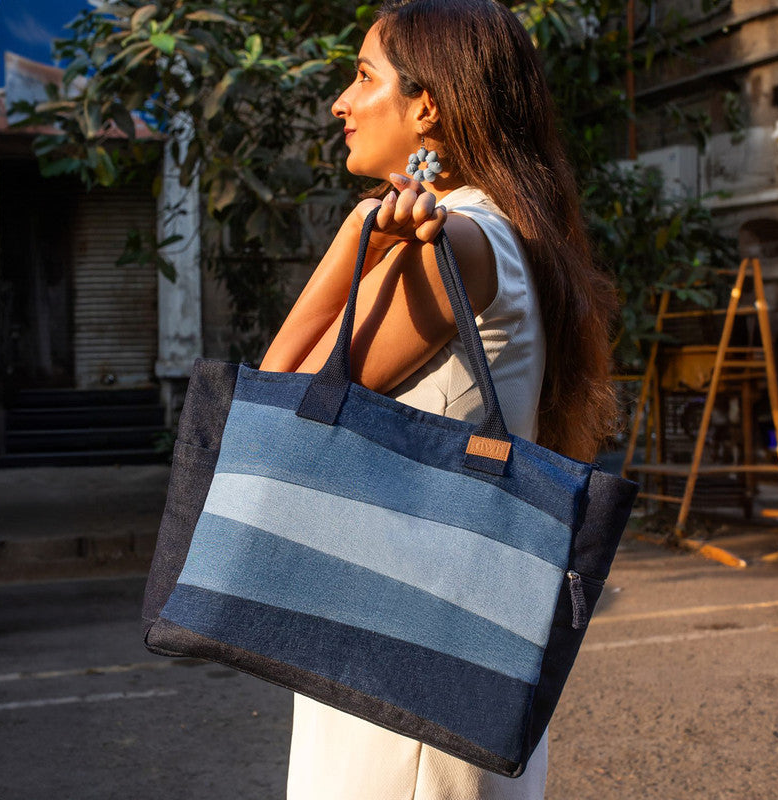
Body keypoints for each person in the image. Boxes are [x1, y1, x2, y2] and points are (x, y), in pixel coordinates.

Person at [259, 1, 617, 797]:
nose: (340, 104)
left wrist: (359, 236)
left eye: (362, 77)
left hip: (402, 673)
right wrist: (367, 231)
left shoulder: (453, 239)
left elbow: (276, 405)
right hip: (439, 647)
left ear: (428, 106)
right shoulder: (503, 227)